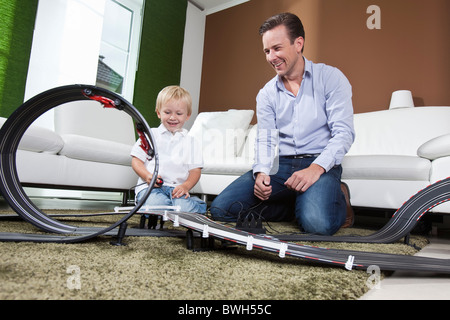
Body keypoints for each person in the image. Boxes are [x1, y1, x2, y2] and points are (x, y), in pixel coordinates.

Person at [210, 13, 355, 235]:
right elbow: (266, 139)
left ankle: (334, 198)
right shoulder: (266, 94)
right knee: (221, 208)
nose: (271, 57)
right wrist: (261, 172)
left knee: (317, 225)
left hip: (319, 163)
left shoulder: (331, 78)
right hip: (282, 166)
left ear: (298, 43)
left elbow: (343, 134)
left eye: (277, 48)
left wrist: (315, 169)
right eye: (267, 51)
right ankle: (295, 206)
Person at [131, 85, 206, 214]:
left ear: (187, 115)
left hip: (176, 189)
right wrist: (148, 176)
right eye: (167, 112)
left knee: (184, 208)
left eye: (179, 113)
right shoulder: (150, 135)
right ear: (159, 113)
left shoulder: (191, 141)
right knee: (155, 205)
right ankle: (170, 209)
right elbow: (136, 161)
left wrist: (185, 186)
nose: (173, 117)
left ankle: (194, 206)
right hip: (150, 188)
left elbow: (195, 171)